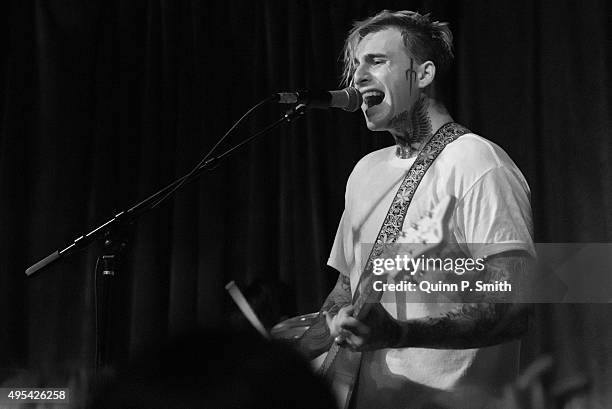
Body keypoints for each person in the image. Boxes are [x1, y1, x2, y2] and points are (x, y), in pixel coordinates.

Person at [319, 10, 535, 408]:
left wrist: (399, 333)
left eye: (376, 61)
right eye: (355, 65)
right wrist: (329, 321)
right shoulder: (364, 171)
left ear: (424, 75)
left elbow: (515, 306)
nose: (358, 77)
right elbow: (344, 290)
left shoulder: (477, 162)